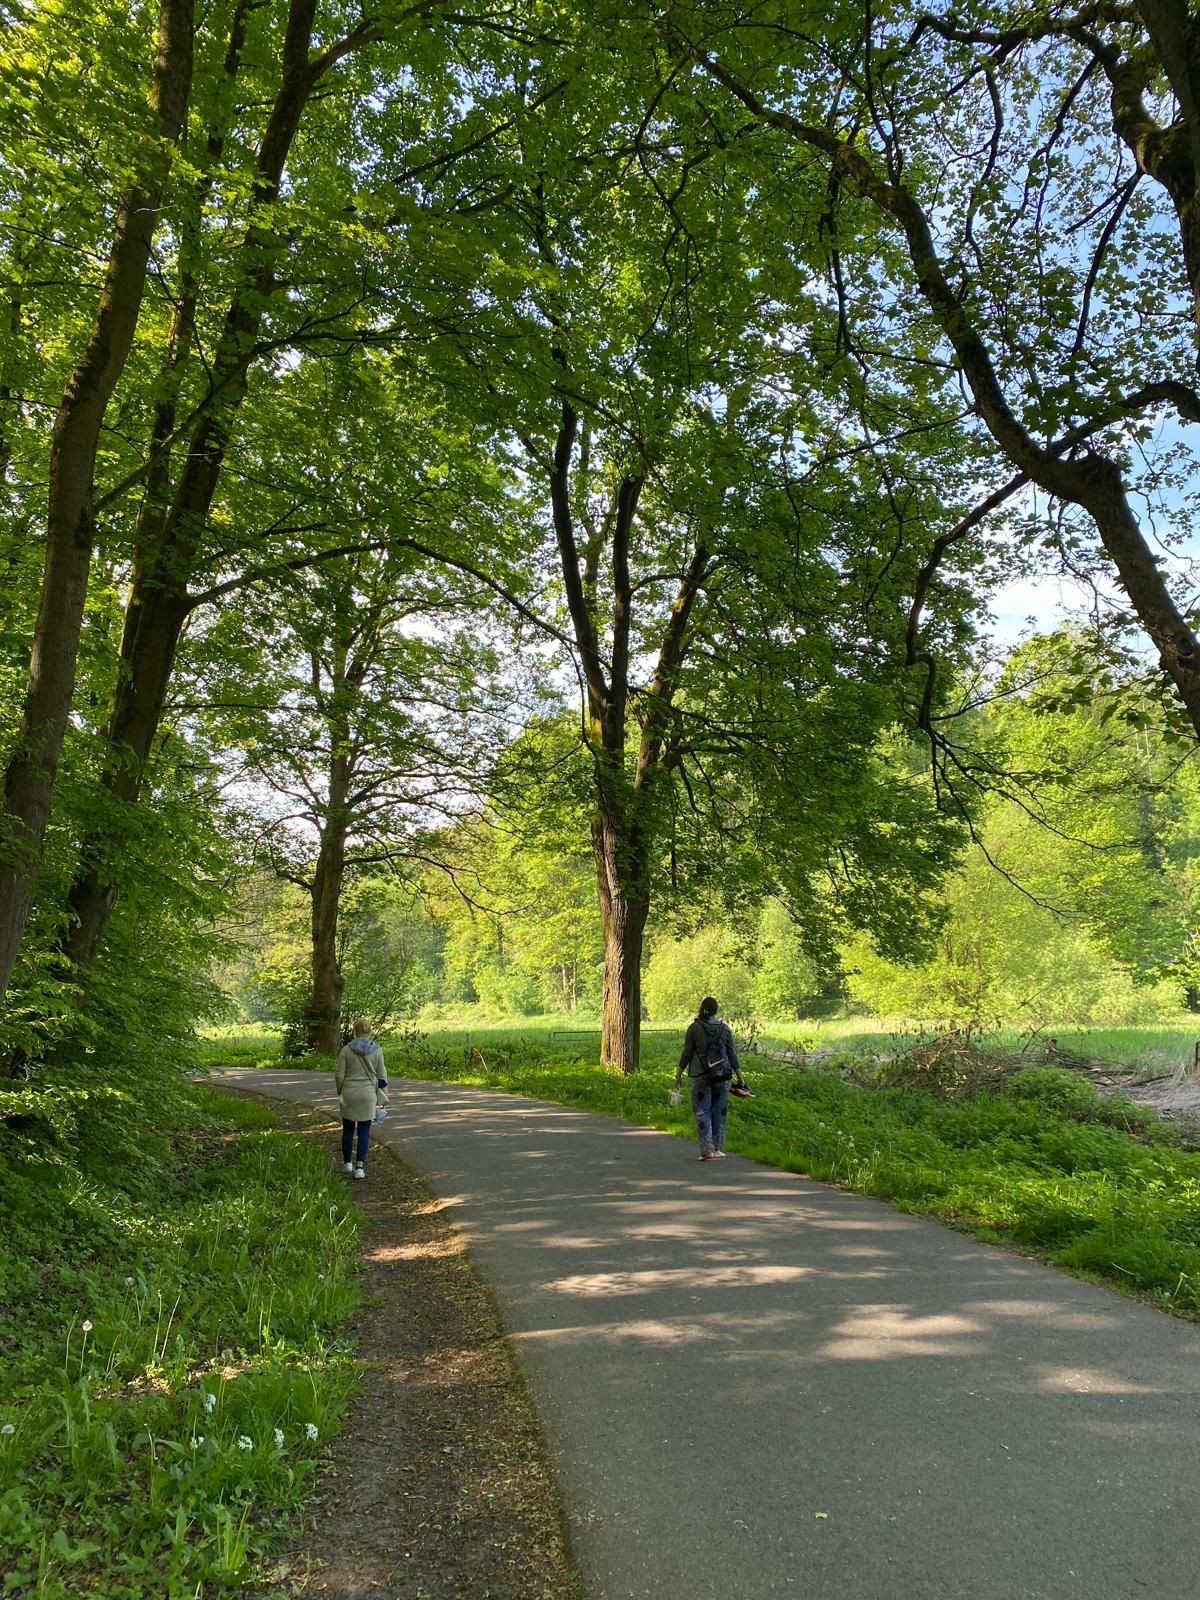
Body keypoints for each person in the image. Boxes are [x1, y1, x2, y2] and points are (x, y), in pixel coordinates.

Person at [675, 996, 747, 1160]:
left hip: (700, 1076)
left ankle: (707, 1150)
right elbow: (732, 1055)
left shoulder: (694, 1028)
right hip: (722, 1076)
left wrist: (678, 1074)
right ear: (716, 1011)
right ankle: (718, 1148)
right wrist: (740, 1077)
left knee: (702, 1111)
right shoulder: (725, 1029)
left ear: (702, 1009)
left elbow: (686, 1054)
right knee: (719, 1111)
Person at [334, 1018, 387, 1179]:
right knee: (364, 1131)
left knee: (348, 1129)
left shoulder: (346, 1050)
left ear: (354, 1031)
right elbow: (382, 1075)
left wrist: (340, 1091)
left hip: (349, 1094)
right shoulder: (377, 1050)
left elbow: (339, 1075)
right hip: (368, 1095)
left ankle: (347, 1163)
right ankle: (360, 1168)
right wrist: (383, 1096)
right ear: (369, 1031)